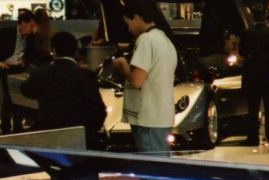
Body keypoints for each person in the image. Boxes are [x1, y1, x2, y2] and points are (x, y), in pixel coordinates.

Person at [112, 0, 177, 154]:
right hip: (163, 115)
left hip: (148, 118)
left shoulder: (146, 40)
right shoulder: (165, 40)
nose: (128, 29)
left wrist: (123, 66)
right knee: (162, 170)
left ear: (137, 18)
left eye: (128, 23)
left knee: (153, 173)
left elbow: (136, 80)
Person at [20, 32, 106, 147]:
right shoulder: (86, 75)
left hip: (48, 136)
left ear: (54, 51)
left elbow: (25, 90)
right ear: (76, 51)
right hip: (78, 138)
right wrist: (88, 131)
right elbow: (98, 110)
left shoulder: (40, 73)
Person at [0, 9, 40, 133]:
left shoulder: (30, 37)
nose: (32, 29)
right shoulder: (6, 33)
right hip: (7, 67)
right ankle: (6, 127)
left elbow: (31, 53)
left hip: (20, 68)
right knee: (8, 98)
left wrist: (25, 60)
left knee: (19, 98)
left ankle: (17, 126)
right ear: (22, 23)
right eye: (30, 25)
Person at [239, 3, 269, 145]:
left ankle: (253, 137)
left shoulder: (246, 34)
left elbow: (242, 53)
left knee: (253, 107)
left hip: (252, 74)